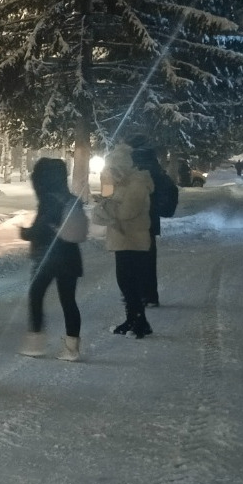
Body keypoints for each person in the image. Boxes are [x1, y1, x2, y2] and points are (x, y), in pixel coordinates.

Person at [18, 158, 85, 361]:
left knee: (36, 296)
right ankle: (72, 348)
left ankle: (36, 343)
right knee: (69, 302)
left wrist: (25, 233)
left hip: (47, 259)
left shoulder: (48, 200)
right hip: (70, 258)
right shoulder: (72, 199)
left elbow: (41, 229)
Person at [91, 144, 154, 339]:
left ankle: (138, 320)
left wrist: (107, 205)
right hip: (122, 239)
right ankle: (136, 319)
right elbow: (107, 202)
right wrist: (107, 185)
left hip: (132, 240)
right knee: (125, 282)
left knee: (129, 282)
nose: (112, 172)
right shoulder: (121, 184)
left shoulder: (137, 184)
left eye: (114, 168)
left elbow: (126, 212)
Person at [131, 146, 177, 307]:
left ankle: (142, 295)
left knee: (135, 261)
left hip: (137, 220)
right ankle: (151, 295)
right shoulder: (157, 170)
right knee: (149, 260)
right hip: (151, 220)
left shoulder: (140, 171)